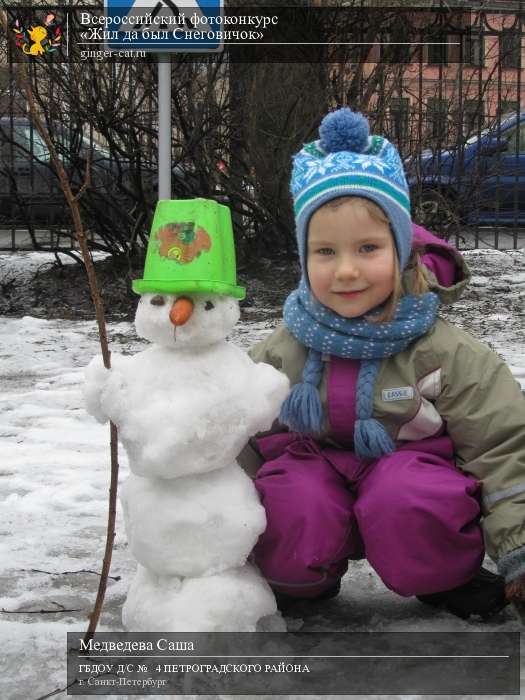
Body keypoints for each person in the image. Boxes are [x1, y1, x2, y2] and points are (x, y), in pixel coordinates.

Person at [239, 108, 525, 620]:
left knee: (407, 493)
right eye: (325, 251)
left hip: (407, 476)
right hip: (312, 469)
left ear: (402, 248)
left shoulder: (445, 351)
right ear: (304, 258)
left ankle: (444, 577)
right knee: (294, 498)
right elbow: (233, 441)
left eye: (368, 248)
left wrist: (520, 551)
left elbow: (503, 448)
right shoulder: (284, 347)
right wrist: (199, 535)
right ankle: (296, 582)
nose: (346, 270)